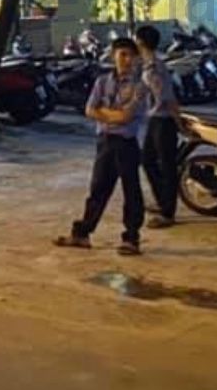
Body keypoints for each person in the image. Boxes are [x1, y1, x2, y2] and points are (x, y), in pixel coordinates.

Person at [56, 37, 153, 255]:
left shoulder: (140, 87)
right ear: (113, 56)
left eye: (131, 55)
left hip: (126, 144)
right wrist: (113, 115)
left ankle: (131, 238)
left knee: (131, 191)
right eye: (122, 54)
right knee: (98, 189)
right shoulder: (102, 82)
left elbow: (126, 117)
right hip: (105, 142)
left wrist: (105, 113)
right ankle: (82, 233)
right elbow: (89, 110)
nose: (127, 60)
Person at [135, 25, 184, 228]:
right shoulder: (149, 65)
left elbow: (167, 98)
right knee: (148, 160)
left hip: (163, 120)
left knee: (166, 165)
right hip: (156, 119)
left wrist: (179, 122)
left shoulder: (155, 67)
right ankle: (162, 200)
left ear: (140, 42)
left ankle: (167, 212)